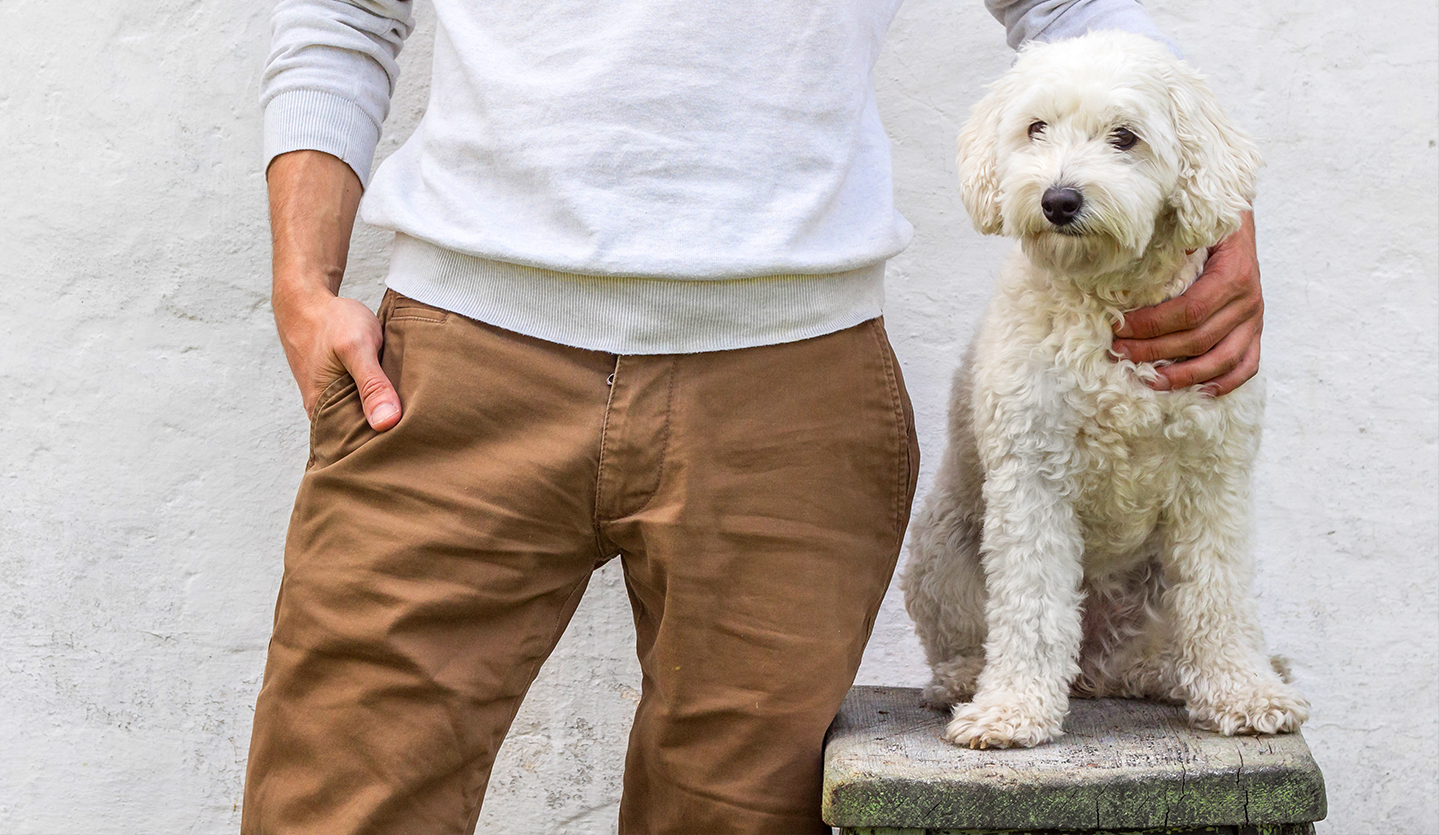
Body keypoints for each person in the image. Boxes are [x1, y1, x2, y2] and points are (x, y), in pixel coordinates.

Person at [241, 1, 1267, 832]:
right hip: (454, 366)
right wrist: (304, 277)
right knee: (335, 803)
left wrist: (1224, 223)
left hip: (791, 391)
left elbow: (1077, 11)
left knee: (736, 816)